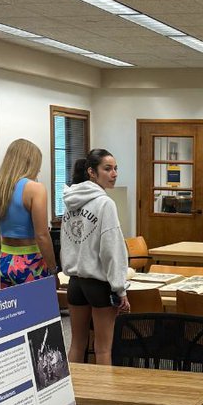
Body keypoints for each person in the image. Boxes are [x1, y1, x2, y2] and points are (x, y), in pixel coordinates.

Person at [60, 148, 129, 365]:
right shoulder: (105, 203)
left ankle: (76, 396)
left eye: (115, 168)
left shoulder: (70, 202)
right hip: (98, 285)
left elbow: (66, 243)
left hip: (75, 283)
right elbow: (112, 249)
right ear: (92, 172)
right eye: (107, 169)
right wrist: (120, 289)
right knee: (102, 349)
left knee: (77, 344)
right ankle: (103, 397)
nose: (114, 173)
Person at [0, 138, 57, 288]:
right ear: (31, 163)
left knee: (10, 311)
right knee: (40, 311)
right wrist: (53, 269)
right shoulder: (35, 189)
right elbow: (42, 235)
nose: (39, 170)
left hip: (3, 260)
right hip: (30, 262)